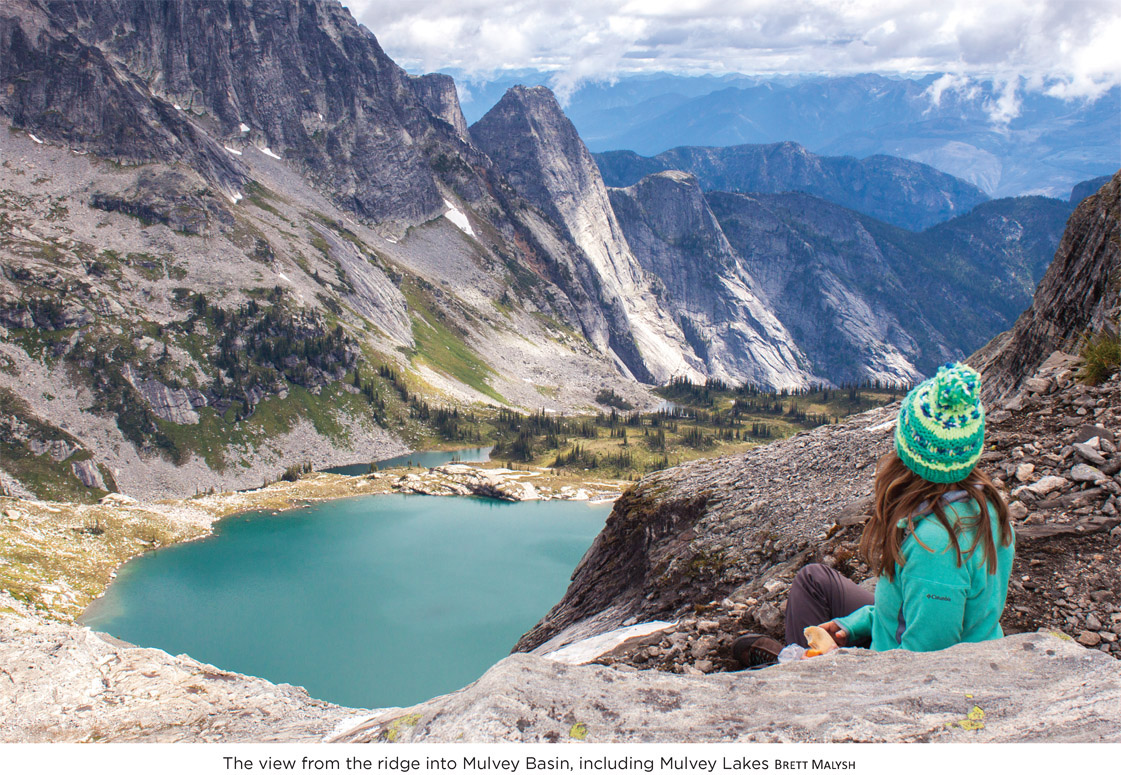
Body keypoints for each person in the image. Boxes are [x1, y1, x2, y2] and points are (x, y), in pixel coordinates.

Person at [733, 362, 1015, 667]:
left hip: (907, 680)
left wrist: (837, 663)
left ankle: (792, 671)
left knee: (805, 637)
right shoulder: (983, 505)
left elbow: (919, 669)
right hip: (920, 638)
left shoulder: (934, 547)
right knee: (813, 580)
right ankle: (795, 660)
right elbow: (912, 612)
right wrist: (852, 626)